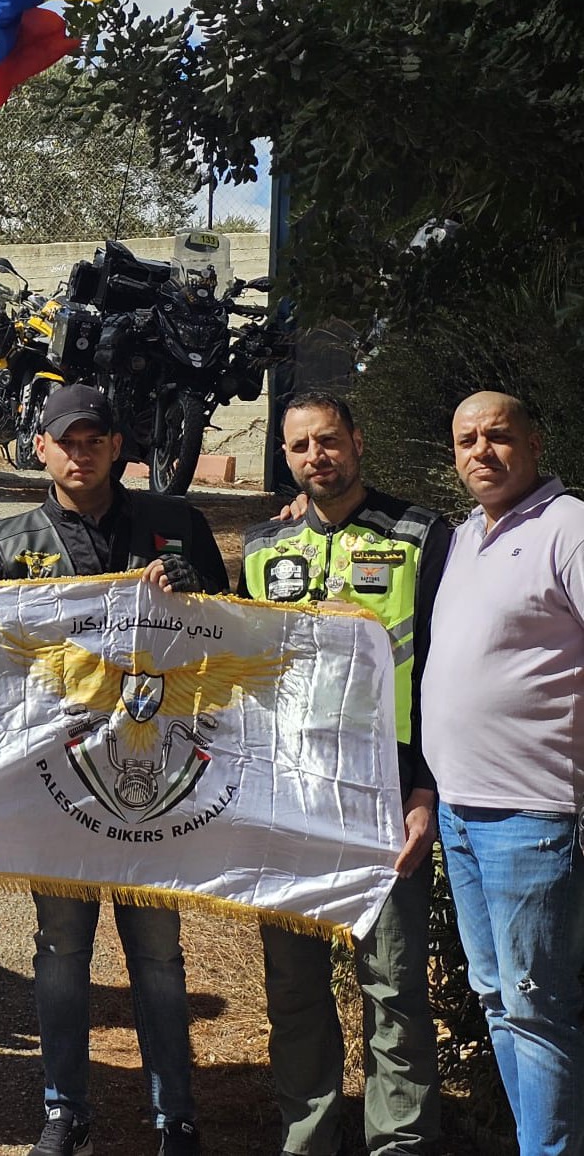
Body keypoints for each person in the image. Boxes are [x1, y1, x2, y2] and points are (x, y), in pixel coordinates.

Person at [0, 384, 221, 1156]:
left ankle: (174, 1117)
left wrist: (200, 590)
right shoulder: (10, 540)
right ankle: (64, 1112)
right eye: (65, 441)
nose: (80, 453)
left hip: (156, 777)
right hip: (60, 785)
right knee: (60, 952)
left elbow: (232, 626)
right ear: (40, 449)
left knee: (157, 953)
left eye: (94, 440)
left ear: (119, 447)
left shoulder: (175, 526)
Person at [236, 389, 447, 1156]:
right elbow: (238, 675)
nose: (316, 457)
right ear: (286, 458)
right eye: (299, 447)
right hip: (286, 799)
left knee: (391, 988)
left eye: (328, 441)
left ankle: (401, 1143)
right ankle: (310, 1138)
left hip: (384, 797)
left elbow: (445, 675)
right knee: (293, 989)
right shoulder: (261, 547)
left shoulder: (425, 534)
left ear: (357, 441)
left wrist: (425, 788)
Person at [422, 391, 584, 1155]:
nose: (481, 451)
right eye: (466, 440)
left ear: (535, 441)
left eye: (498, 436)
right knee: (495, 1000)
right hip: (459, 809)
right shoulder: (460, 538)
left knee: (536, 1007)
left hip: (533, 813)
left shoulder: (570, 527)